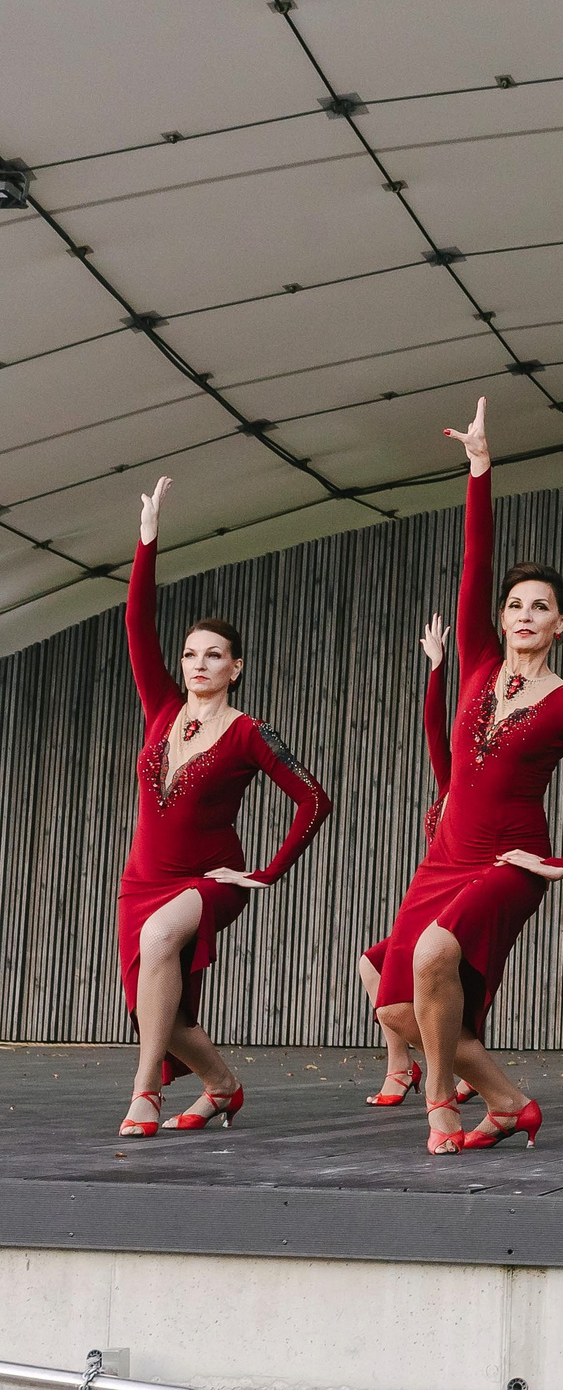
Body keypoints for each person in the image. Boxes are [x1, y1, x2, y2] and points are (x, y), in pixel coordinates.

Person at [374, 399, 563, 1155]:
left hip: (510, 859)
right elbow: (475, 561)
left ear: (562, 623)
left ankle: (438, 1105)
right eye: (515, 604)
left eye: (541, 607)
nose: (524, 613)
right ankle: (511, 1103)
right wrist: (479, 468)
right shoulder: (479, 662)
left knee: (434, 957)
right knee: (398, 1011)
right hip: (445, 855)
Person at [115, 476, 332, 1137]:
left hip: (209, 879)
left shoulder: (248, 732)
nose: (198, 663)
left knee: (160, 942)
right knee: (159, 1012)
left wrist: (268, 872)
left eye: (214, 655)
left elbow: (315, 799)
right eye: (190, 654)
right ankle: (223, 1087)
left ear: (236, 667)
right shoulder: (161, 708)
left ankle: (144, 1093)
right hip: (142, 879)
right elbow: (136, 623)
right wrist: (147, 540)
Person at [357, 617, 452, 1108]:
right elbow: (435, 729)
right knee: (371, 964)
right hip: (429, 895)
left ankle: (450, 1068)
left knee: (438, 985)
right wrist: (437, 668)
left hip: (460, 905)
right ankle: (402, 1065)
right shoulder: (451, 782)